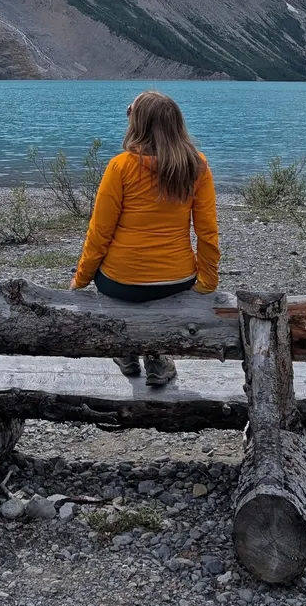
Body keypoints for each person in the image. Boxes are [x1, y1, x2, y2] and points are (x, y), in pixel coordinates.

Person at [69, 90, 220, 387]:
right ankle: (156, 357)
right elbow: (207, 232)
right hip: (176, 280)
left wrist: (82, 279)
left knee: (114, 281)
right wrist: (208, 282)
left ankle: (126, 350)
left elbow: (100, 233)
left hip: (120, 282)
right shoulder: (197, 166)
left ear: (137, 124)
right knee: (160, 291)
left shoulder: (120, 167)